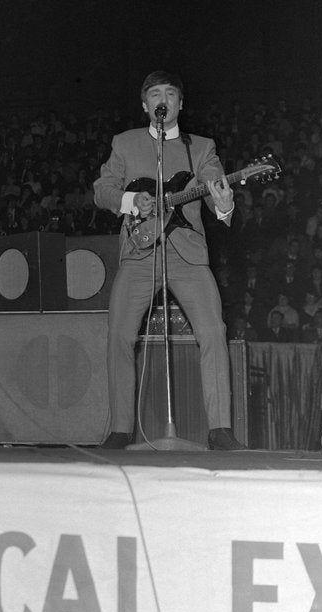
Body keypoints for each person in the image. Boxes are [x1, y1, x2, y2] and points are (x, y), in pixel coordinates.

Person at [93, 72, 245, 450]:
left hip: (187, 254)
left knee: (213, 332)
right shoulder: (125, 143)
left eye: (171, 93)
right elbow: (102, 190)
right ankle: (120, 429)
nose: (164, 99)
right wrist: (131, 202)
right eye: (156, 94)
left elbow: (214, 193)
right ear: (146, 105)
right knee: (118, 336)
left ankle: (220, 430)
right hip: (139, 253)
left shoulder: (202, 147)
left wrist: (224, 205)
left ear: (180, 103)